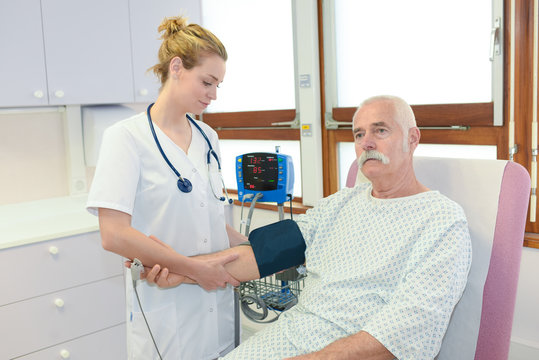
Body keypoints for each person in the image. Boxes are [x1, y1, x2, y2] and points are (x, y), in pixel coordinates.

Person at [138, 95, 473, 360]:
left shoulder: (441, 221)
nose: (367, 142)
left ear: (412, 138)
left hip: (357, 352)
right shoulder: (339, 204)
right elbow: (265, 254)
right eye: (359, 134)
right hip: (294, 335)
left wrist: (316, 358)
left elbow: (409, 329)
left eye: (380, 130)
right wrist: (184, 268)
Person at [86, 16, 247, 360]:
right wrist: (194, 270)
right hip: (167, 312)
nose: (213, 94)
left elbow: (209, 215)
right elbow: (113, 234)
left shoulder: (209, 137)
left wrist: (253, 246)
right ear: (176, 67)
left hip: (217, 303)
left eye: (218, 85)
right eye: (207, 81)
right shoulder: (126, 138)